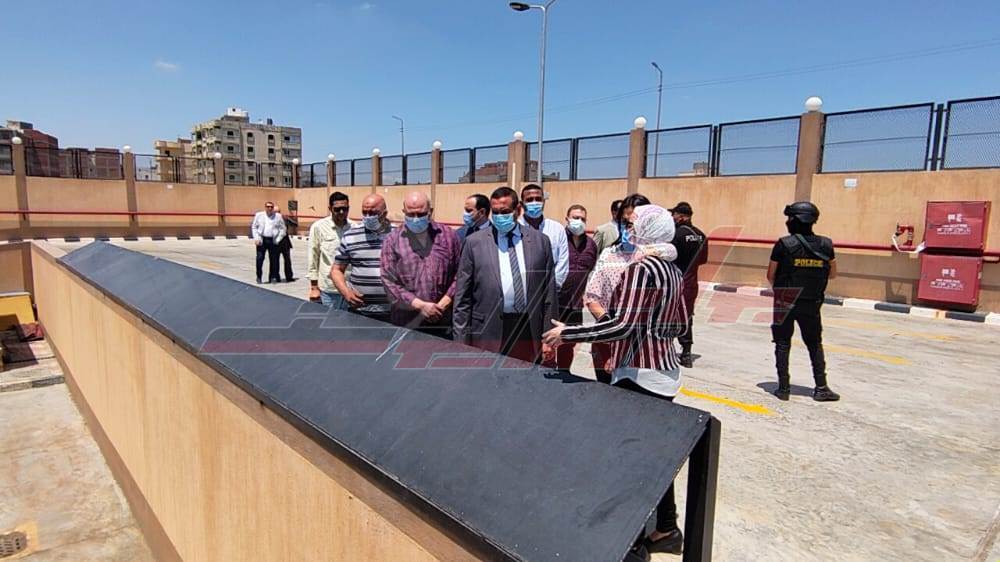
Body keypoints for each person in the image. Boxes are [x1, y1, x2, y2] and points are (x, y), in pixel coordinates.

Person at [543, 204, 687, 556]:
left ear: (650, 229)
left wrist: (568, 334)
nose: (630, 229)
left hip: (639, 374)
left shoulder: (641, 268)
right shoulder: (672, 269)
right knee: (653, 456)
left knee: (629, 462)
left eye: (636, 224)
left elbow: (622, 325)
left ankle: (631, 542)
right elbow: (681, 324)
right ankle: (666, 528)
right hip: (663, 372)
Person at [453, 186, 557, 364]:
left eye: (505, 211)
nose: (500, 216)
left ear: (518, 209)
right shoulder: (474, 243)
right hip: (487, 331)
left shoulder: (540, 242)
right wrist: (460, 344)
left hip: (528, 329)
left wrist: (549, 337)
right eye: (496, 212)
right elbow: (462, 298)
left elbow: (549, 294)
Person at [583, 194, 664, 383]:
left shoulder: (660, 258)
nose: (628, 228)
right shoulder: (609, 254)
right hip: (607, 337)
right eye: (624, 222)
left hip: (642, 345)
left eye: (632, 223)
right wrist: (610, 330)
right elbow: (591, 295)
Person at [767, 201, 840, 402]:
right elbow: (833, 274)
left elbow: (771, 275)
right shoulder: (826, 244)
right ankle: (821, 387)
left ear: (795, 220)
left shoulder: (784, 244)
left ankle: (783, 388)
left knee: (782, 343)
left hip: (786, 299)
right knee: (814, 344)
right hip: (812, 301)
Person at [381, 191, 462, 338]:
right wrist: (420, 305)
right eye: (410, 214)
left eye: (421, 214)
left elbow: (460, 274)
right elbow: (388, 280)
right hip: (406, 322)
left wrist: (442, 305)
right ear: (404, 212)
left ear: (430, 211)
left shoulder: (449, 236)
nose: (415, 219)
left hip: (443, 320)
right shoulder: (392, 240)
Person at [330, 193, 395, 323]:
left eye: (373, 213)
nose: (368, 217)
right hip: (359, 310)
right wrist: (346, 292)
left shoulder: (400, 235)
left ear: (384, 213)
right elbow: (336, 270)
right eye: (365, 212)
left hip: (393, 312)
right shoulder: (351, 236)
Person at [553, 204, 598, 374]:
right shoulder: (558, 240)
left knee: (568, 343)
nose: (578, 221)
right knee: (549, 341)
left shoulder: (591, 245)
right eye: (575, 217)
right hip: (556, 302)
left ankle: (564, 373)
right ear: (567, 219)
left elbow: (592, 270)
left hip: (576, 305)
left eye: (582, 219)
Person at [669, 201, 708, 368]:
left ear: (682, 216)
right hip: (691, 282)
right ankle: (686, 353)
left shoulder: (676, 234)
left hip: (675, 281)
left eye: (674, 214)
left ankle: (665, 350)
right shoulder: (701, 235)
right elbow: (703, 260)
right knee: (687, 316)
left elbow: (669, 256)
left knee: (668, 315)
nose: (672, 217)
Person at [307, 192, 355, 308]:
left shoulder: (354, 228)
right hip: (329, 290)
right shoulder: (319, 227)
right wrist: (314, 287)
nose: (342, 212)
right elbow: (313, 257)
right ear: (330, 208)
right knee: (331, 319)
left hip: (351, 288)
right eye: (337, 209)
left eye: (345, 209)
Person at [518, 184, 568, 289]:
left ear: (544, 202)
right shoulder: (515, 228)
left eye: (538, 199)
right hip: (520, 289)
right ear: (522, 204)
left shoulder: (557, 229)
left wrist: (552, 287)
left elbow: (563, 261)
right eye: (529, 200)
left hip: (550, 288)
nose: (534, 202)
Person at [250, 201, 285, 284]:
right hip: (262, 240)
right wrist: (256, 238)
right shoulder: (259, 215)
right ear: (265, 207)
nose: (270, 208)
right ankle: (259, 277)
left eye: (271, 207)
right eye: (268, 206)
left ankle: (272, 277)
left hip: (273, 240)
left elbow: (283, 229)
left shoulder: (278, 216)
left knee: (273, 260)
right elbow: (254, 227)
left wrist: (278, 239)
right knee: (259, 258)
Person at [276, 206, 295, 282]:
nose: (277, 213)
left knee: (287, 260)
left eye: (278, 212)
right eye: (275, 212)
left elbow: (295, 224)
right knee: (275, 261)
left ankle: (289, 276)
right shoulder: (270, 219)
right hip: (275, 242)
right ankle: (276, 277)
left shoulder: (284, 218)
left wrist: (287, 218)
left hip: (285, 242)